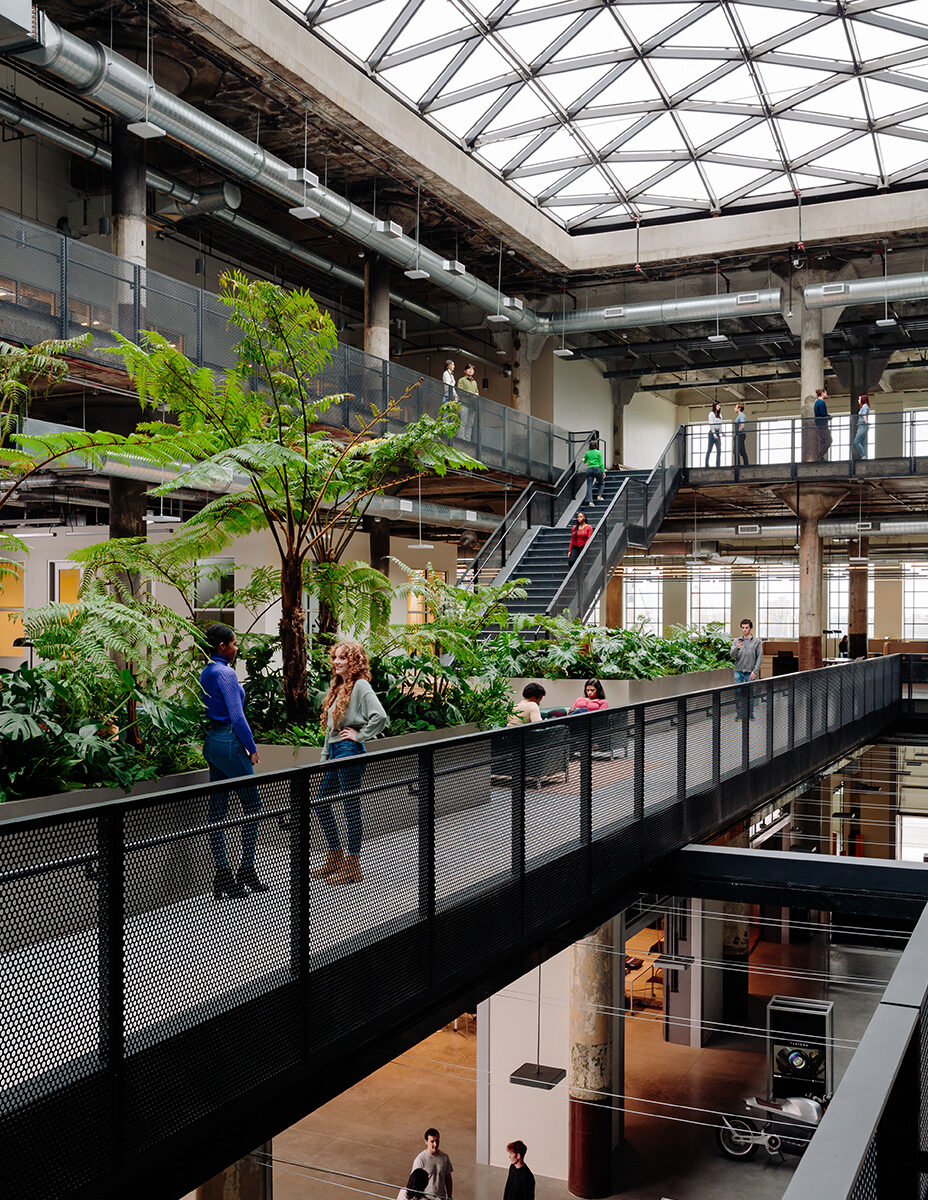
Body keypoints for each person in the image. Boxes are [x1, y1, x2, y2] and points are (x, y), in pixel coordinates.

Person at [313, 641, 388, 886]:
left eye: (342, 658)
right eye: (335, 657)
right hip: (336, 751)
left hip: (349, 750)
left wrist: (360, 734)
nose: (336, 662)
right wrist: (325, 758)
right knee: (321, 803)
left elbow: (380, 716)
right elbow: (329, 731)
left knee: (350, 807)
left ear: (354, 661)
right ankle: (335, 856)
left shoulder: (360, 686)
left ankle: (353, 865)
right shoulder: (338, 686)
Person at [200, 623, 266, 900]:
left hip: (212, 742)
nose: (237, 648)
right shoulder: (226, 673)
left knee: (218, 810)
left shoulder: (206, 672)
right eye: (234, 643)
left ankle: (223, 874)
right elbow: (237, 716)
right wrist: (251, 747)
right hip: (229, 742)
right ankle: (246, 869)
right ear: (222, 647)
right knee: (253, 805)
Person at [731, 618, 763, 720]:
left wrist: (755, 671)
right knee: (738, 693)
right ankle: (739, 714)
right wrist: (737, 648)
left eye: (746, 628)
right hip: (738, 671)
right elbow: (731, 655)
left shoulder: (757, 642)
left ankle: (750, 714)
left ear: (750, 628)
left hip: (750, 672)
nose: (744, 630)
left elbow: (760, 657)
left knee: (750, 693)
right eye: (743, 628)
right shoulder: (737, 641)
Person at [412, 1129, 453, 1199]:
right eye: (432, 1141)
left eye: (437, 1141)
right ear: (426, 1142)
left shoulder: (445, 1157)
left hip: (441, 1197)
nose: (435, 1144)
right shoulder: (420, 1159)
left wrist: (449, 1197)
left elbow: (448, 1179)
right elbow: (414, 1182)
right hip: (425, 1198)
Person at [582, 437, 605, 504]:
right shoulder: (598, 453)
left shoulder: (587, 453)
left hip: (589, 469)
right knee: (601, 483)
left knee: (589, 486)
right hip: (597, 469)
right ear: (596, 446)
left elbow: (584, 461)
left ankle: (590, 502)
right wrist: (603, 472)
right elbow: (601, 463)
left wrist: (583, 459)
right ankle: (599, 496)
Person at [813, 388, 832, 461]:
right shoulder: (821, 402)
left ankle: (820, 456)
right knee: (829, 440)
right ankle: (820, 454)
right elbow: (822, 413)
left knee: (822, 441)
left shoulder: (817, 402)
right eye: (825, 393)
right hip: (822, 425)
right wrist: (828, 416)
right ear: (822, 393)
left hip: (819, 424)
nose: (826, 394)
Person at [854, 393, 871, 460]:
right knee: (863, 442)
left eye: (859, 399)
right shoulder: (864, 406)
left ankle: (863, 455)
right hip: (861, 426)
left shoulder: (865, 406)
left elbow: (864, 414)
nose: (858, 400)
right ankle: (864, 456)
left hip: (863, 425)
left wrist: (866, 422)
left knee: (856, 441)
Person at [705, 401, 722, 467]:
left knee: (719, 449)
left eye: (720, 405)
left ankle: (718, 464)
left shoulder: (720, 415)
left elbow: (720, 425)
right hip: (712, 433)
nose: (719, 407)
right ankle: (706, 464)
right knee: (709, 449)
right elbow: (711, 425)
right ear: (715, 406)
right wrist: (714, 434)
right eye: (718, 405)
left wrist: (722, 432)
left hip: (717, 432)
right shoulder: (711, 414)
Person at [734, 402, 749, 467]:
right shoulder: (739, 416)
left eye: (735, 407)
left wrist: (737, 432)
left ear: (739, 409)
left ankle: (738, 465)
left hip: (740, 435)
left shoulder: (741, 415)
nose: (734, 408)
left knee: (736, 450)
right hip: (739, 435)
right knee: (741, 451)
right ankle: (745, 464)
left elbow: (742, 425)